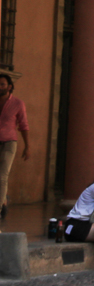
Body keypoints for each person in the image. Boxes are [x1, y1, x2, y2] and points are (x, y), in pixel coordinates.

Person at [0, 73, 29, 221]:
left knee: (2, 176)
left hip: (9, 142)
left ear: (9, 87)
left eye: (2, 84)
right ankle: (4, 201)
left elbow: (23, 126)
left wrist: (27, 146)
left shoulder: (18, 103)